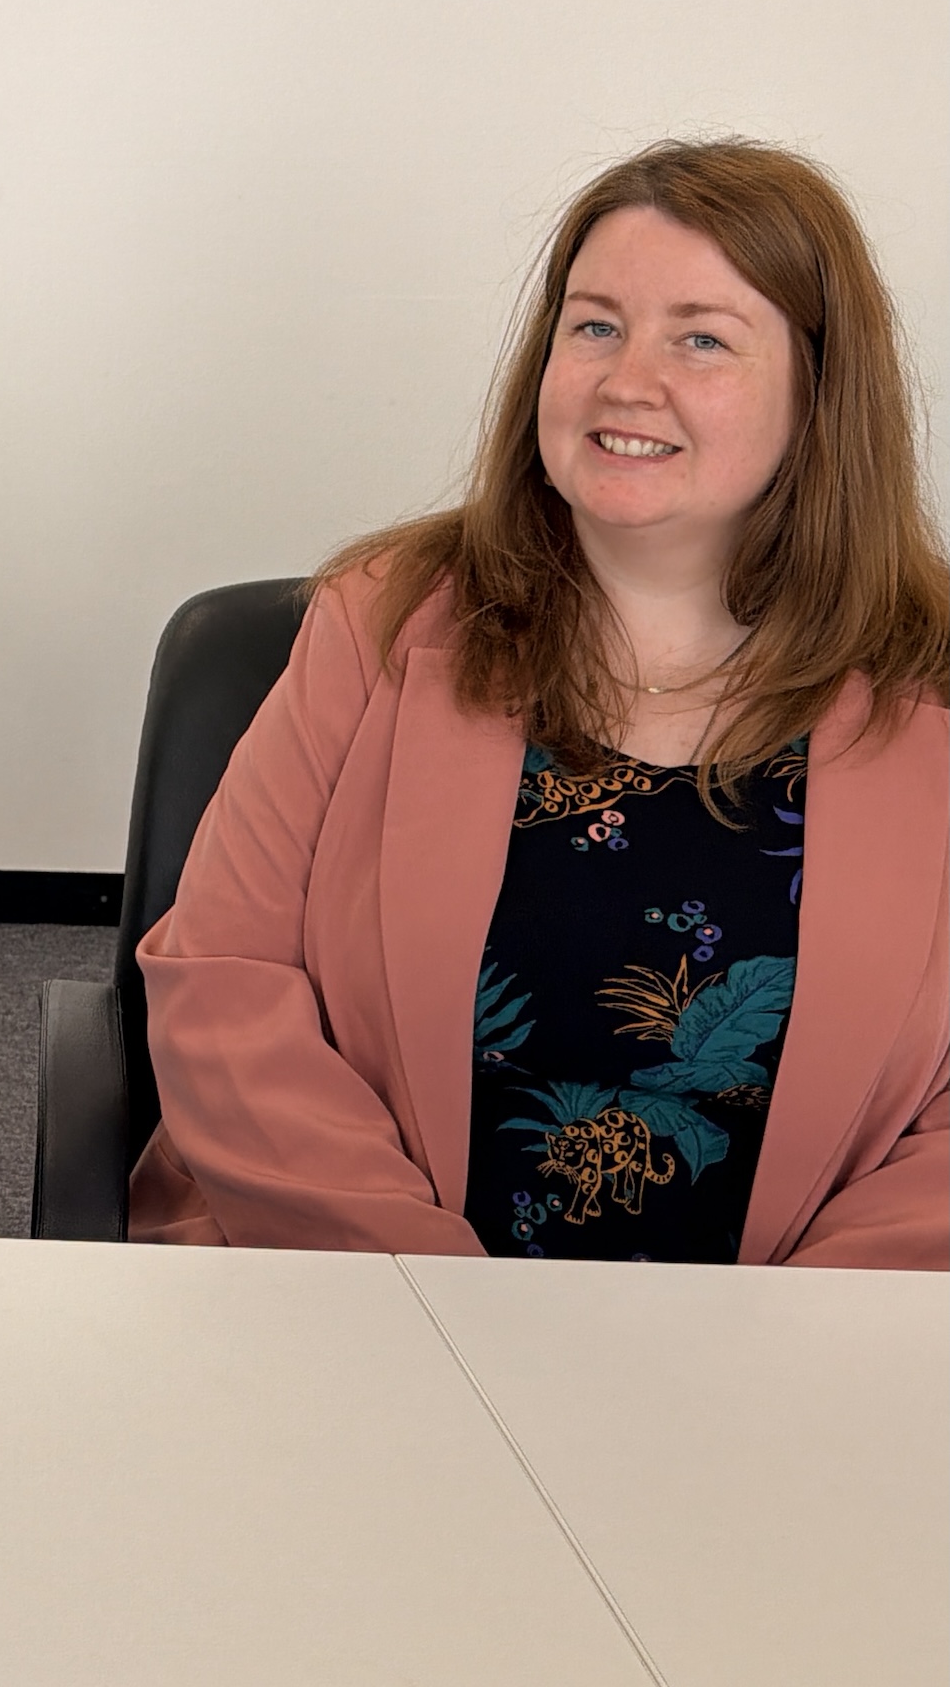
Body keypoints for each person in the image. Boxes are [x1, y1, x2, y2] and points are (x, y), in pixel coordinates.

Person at [133, 139, 948, 1268]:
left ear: (820, 395)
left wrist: (783, 1354)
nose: (626, 380)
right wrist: (433, 1308)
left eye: (702, 337)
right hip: (364, 1306)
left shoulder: (934, 688)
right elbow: (224, 976)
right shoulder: (376, 624)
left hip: (792, 1370)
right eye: (595, 325)